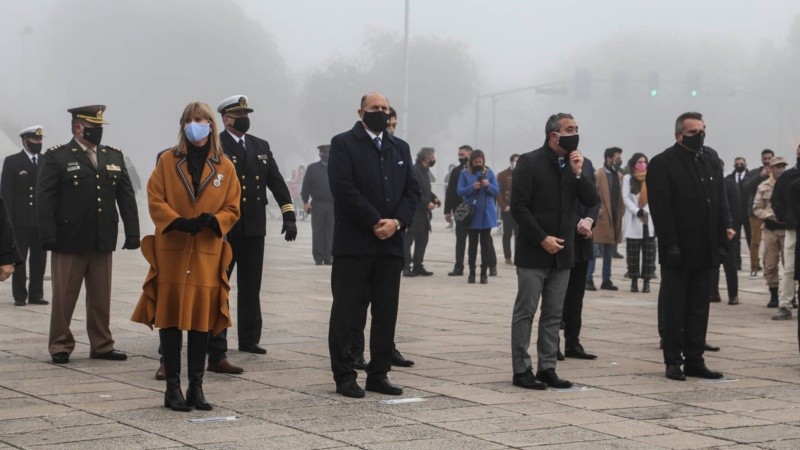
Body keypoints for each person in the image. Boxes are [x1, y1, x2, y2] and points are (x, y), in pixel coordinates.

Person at [131, 101, 241, 412]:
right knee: (170, 316)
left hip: (207, 250)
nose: (196, 124)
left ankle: (197, 387)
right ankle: (172, 388)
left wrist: (214, 221)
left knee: (200, 320)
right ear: (183, 125)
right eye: (190, 120)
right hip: (174, 249)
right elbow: (155, 198)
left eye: (201, 119)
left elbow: (233, 207)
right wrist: (176, 221)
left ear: (211, 125)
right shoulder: (168, 161)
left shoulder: (226, 167)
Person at [327, 92, 421, 398]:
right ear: (361, 112)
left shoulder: (400, 147)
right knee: (347, 312)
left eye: (385, 108)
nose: (381, 112)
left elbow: (412, 191)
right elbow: (344, 188)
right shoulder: (343, 144)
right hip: (355, 244)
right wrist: (375, 221)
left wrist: (397, 222)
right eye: (374, 108)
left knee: (386, 312)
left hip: (391, 244)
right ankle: (344, 375)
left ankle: (378, 373)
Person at [37, 105, 140, 364]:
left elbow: (126, 197)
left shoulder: (113, 156)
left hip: (102, 238)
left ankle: (102, 344)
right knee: (64, 296)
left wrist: (132, 232)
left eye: (100, 128)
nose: (98, 133)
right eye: (93, 128)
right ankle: (60, 344)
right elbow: (44, 199)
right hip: (69, 239)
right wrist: (47, 234)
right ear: (77, 128)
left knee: (101, 297)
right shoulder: (57, 157)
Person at [510, 113, 598, 390]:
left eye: (577, 128)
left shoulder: (577, 165)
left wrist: (578, 173)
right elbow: (519, 207)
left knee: (553, 314)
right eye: (569, 129)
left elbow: (591, 199)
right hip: (534, 251)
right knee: (526, 311)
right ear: (553, 136)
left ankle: (547, 367)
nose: (575, 133)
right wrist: (541, 238)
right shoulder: (530, 162)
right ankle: (521, 369)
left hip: (564, 253)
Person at [210, 94, 297, 372]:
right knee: (219, 284)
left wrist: (288, 212)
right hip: (226, 227)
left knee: (251, 285)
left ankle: (249, 338)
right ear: (225, 119)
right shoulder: (216, 145)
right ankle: (216, 339)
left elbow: (276, 180)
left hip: (255, 227)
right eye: (238, 114)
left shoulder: (261, 145)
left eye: (246, 113)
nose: (244, 118)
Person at [648, 111, 726, 381]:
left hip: (705, 247)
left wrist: (721, 238)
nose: (700, 136)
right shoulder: (662, 163)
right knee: (674, 306)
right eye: (694, 132)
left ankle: (695, 359)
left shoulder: (710, 162)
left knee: (698, 307)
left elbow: (717, 202)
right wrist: (669, 244)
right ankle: (673, 360)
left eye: (703, 130)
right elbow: (661, 208)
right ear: (679, 135)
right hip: (677, 248)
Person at [1, 125, 48, 306]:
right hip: (19, 222)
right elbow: (6, 195)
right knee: (19, 260)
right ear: (24, 141)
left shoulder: (46, 161)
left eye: (40, 140)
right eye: (35, 140)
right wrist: (7, 222)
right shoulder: (13, 162)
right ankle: (20, 295)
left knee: (39, 260)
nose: (38, 143)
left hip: (40, 221)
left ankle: (36, 294)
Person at [560, 155, 600, 360]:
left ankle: (572, 342)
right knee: (557, 296)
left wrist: (590, 220)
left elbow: (594, 196)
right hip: (562, 238)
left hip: (584, 240)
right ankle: (553, 344)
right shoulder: (557, 162)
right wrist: (579, 223)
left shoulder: (587, 163)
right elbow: (557, 201)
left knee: (576, 296)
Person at [457, 150, 499, 284]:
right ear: (471, 162)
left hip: (486, 214)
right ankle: (472, 272)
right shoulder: (465, 173)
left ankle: (484, 273)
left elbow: (497, 191)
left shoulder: (489, 173)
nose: (478, 164)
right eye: (476, 162)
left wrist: (488, 185)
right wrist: (472, 187)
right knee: (472, 245)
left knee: (485, 245)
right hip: (472, 214)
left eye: (480, 162)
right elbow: (459, 191)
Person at [769, 144, 800, 319]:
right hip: (793, 229)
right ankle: (785, 304)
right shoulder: (787, 177)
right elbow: (777, 199)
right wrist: (786, 217)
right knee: (789, 268)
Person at [753, 156, 788, 309]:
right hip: (770, 230)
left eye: (782, 166)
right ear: (771, 168)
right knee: (770, 263)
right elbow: (756, 208)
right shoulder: (763, 187)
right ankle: (773, 294)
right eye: (777, 166)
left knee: (790, 265)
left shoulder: (791, 185)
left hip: (787, 230)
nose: (780, 169)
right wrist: (768, 215)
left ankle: (790, 295)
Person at [587, 147, 623, 291]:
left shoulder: (619, 176)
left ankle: (606, 280)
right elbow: (592, 195)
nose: (619, 161)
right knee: (594, 251)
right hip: (601, 218)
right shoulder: (598, 175)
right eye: (617, 158)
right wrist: (598, 210)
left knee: (609, 251)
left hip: (614, 218)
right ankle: (588, 279)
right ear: (608, 158)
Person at [621, 153, 655, 293]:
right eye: (639, 161)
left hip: (648, 221)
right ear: (634, 163)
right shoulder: (628, 178)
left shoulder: (651, 178)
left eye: (644, 161)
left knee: (648, 255)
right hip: (635, 220)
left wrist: (645, 210)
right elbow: (626, 198)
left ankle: (646, 282)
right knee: (633, 255)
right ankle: (634, 281)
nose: (642, 164)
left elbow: (654, 196)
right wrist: (638, 211)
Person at [404, 147, 440, 277]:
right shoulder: (415, 170)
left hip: (424, 215)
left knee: (422, 240)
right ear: (426, 157)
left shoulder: (425, 171)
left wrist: (434, 198)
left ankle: (418, 265)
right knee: (408, 241)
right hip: (414, 213)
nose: (434, 159)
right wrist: (426, 203)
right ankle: (406, 266)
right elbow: (415, 191)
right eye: (432, 157)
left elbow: (426, 190)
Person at [711, 160, 741, 305]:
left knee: (730, 264)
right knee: (713, 264)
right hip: (712, 230)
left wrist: (733, 227)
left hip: (728, 230)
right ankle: (713, 292)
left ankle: (733, 295)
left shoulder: (730, 184)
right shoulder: (707, 184)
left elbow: (736, 208)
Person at [302, 145, 334, 265]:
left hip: (332, 204)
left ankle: (329, 256)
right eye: (324, 152)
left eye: (328, 152)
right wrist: (305, 202)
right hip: (318, 204)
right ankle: (318, 256)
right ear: (320, 154)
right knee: (318, 231)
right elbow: (306, 186)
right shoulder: (312, 168)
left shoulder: (336, 168)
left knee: (331, 231)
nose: (326, 155)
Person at [745, 149, 775, 277]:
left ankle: (768, 268)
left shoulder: (778, 173)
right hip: (756, 212)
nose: (767, 160)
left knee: (771, 243)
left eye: (769, 158)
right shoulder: (754, 173)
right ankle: (754, 266)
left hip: (772, 213)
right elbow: (746, 188)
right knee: (755, 242)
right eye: (765, 158)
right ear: (762, 159)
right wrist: (760, 176)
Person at [444, 145, 473, 276]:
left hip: (476, 211)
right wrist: (447, 211)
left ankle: (490, 264)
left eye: (463, 155)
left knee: (484, 239)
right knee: (460, 239)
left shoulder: (480, 170)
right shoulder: (456, 171)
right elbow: (450, 191)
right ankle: (458, 267)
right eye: (459, 155)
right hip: (460, 210)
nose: (460, 157)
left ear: (470, 154)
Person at [725, 157, 754, 271]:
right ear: (734, 165)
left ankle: (754, 263)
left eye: (741, 163)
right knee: (735, 240)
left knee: (751, 239)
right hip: (734, 214)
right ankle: (736, 263)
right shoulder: (729, 179)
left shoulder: (751, 178)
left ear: (745, 164)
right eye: (737, 164)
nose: (739, 165)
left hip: (747, 212)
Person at [497, 154, 520, 265]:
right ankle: (507, 257)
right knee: (507, 234)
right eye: (515, 161)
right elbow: (498, 193)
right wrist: (504, 206)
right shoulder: (503, 175)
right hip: (507, 209)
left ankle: (518, 257)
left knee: (518, 234)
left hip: (519, 210)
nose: (516, 163)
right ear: (511, 161)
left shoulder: (524, 174)